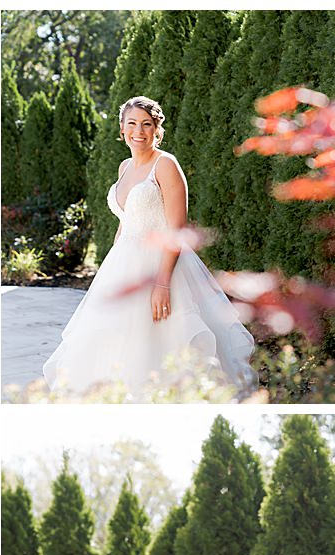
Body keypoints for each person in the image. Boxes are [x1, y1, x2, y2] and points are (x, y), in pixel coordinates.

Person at [43, 96, 255, 400]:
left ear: (157, 129)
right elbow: (126, 221)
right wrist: (108, 270)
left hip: (161, 266)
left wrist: (162, 282)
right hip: (123, 266)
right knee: (114, 342)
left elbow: (177, 230)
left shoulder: (166, 164)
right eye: (132, 124)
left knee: (163, 340)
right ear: (122, 129)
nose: (139, 131)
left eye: (146, 124)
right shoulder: (124, 167)